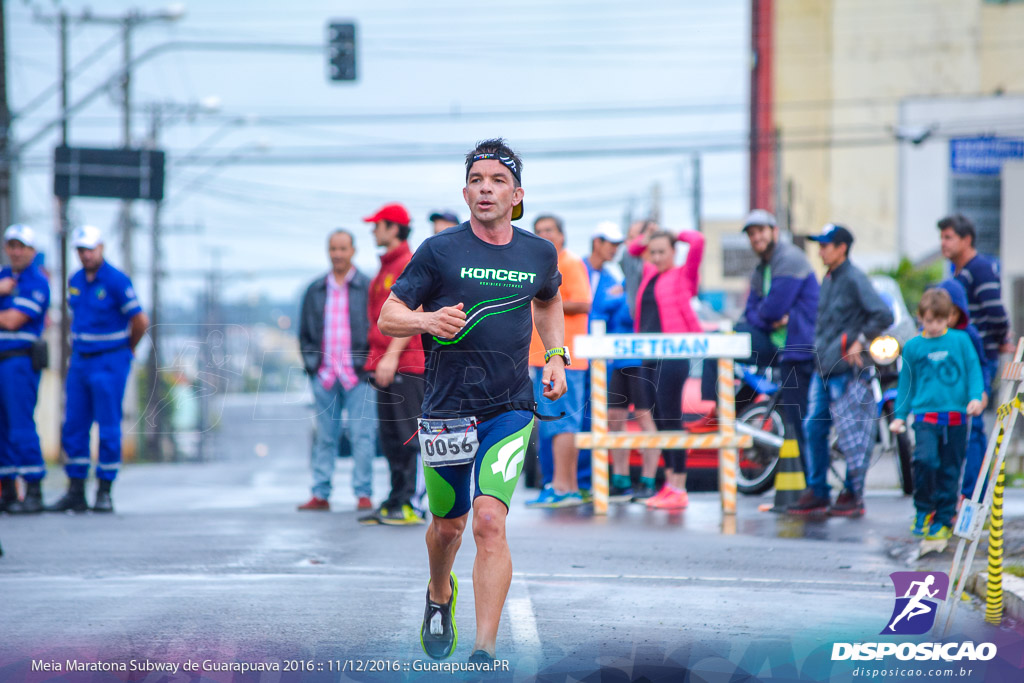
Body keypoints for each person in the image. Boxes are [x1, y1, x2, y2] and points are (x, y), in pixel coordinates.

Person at [378, 138, 567, 663]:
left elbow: (549, 301)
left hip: (510, 406)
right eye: (477, 181)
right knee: (448, 526)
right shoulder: (439, 251)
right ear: (465, 192)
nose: (486, 189)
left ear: (517, 193)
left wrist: (556, 354)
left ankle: (483, 652)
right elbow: (388, 315)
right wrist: (425, 320)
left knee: (489, 520)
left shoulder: (538, 252)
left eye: (498, 180)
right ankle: (440, 593)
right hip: (445, 411)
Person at [691, 209, 819, 468]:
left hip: (797, 347)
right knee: (720, 341)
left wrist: (768, 315)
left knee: (800, 421)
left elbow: (771, 308)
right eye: (751, 233)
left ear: (774, 231)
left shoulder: (789, 259)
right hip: (776, 341)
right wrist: (768, 317)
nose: (756, 237)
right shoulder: (763, 267)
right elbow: (754, 311)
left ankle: (811, 485)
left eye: (760, 231)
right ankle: (723, 410)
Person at [789, 224, 893, 517]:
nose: (820, 250)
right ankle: (818, 491)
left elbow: (883, 314)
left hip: (846, 370)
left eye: (825, 245)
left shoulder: (854, 278)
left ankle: (851, 493)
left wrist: (858, 339)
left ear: (842, 248)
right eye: (820, 245)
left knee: (852, 434)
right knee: (814, 427)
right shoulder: (831, 277)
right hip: (823, 367)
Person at [46, 225, 149, 513]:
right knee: (75, 425)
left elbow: (140, 320)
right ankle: (76, 490)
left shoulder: (116, 281)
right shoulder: (76, 280)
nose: (85, 255)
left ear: (101, 248)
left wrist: (129, 348)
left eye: (90, 249)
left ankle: (104, 490)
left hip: (110, 360)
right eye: (81, 250)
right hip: (81, 360)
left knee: (107, 426)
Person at [890, 288, 984, 541]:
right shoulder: (912, 347)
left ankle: (943, 518)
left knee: (951, 469)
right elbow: (906, 384)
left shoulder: (960, 341)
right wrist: (899, 415)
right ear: (920, 317)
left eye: (940, 320)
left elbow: (974, 370)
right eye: (929, 320)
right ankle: (923, 509)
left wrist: (976, 397)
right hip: (925, 417)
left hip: (956, 417)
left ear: (949, 318)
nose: (934, 326)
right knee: (925, 460)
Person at [297, 229, 376, 512]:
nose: (338, 254)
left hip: (359, 376)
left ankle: (364, 494)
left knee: (362, 436)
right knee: (325, 438)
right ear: (327, 251)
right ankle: (320, 493)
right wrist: (312, 367)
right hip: (326, 376)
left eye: (343, 249)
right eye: (333, 249)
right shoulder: (315, 290)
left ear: (353, 251)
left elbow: (377, 328)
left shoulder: (369, 287)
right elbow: (304, 333)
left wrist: (369, 364)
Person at [628, 226, 705, 508]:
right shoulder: (650, 273)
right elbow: (633, 250)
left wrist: (672, 233)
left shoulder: (684, 275)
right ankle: (670, 484)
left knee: (672, 418)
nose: (657, 257)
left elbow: (698, 240)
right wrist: (650, 239)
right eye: (654, 252)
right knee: (659, 420)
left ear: (674, 251)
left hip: (673, 354)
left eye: (663, 252)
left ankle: (679, 487)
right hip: (648, 354)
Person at [584, 222, 658, 501]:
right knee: (614, 421)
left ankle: (648, 481)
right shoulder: (619, 281)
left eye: (626, 242)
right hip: (614, 361)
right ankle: (621, 479)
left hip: (639, 359)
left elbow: (627, 311)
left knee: (644, 419)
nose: (622, 248)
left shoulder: (644, 275)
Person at [363, 202, 426, 525]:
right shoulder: (386, 265)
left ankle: (410, 504)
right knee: (389, 438)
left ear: (393, 228)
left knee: (407, 435)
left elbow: (412, 313)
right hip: (384, 364)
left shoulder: (407, 263)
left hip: (405, 363)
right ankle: (395, 499)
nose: (373, 231)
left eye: (377, 225)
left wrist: (391, 355)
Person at [524, 214, 590, 508]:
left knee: (563, 422)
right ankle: (566, 485)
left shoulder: (569, 261)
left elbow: (584, 302)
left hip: (565, 358)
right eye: (539, 231)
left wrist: (548, 297)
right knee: (553, 424)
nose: (544, 235)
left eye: (549, 230)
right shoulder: (543, 263)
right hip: (545, 357)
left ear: (562, 235)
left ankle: (564, 488)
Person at [0, 224, 50, 514]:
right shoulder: (5, 278)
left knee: (20, 427)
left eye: (22, 246)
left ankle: (33, 489)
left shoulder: (37, 281)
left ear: (32, 251)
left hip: (19, 361)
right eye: (12, 245)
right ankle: (7, 490)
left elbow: (11, 321)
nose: (16, 251)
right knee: (2, 430)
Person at [932, 279, 993, 501]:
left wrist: (982, 391)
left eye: (952, 313)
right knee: (940, 451)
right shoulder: (931, 336)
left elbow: (981, 365)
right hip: (943, 402)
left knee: (974, 436)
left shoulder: (969, 334)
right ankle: (940, 502)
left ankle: (971, 498)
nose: (947, 319)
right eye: (942, 314)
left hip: (969, 398)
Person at [938, 214, 1011, 363]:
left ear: (967, 240)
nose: (943, 243)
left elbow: (996, 311)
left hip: (980, 356)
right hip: (964, 355)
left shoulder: (980, 268)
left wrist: (1001, 340)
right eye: (941, 238)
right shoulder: (960, 271)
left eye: (948, 238)